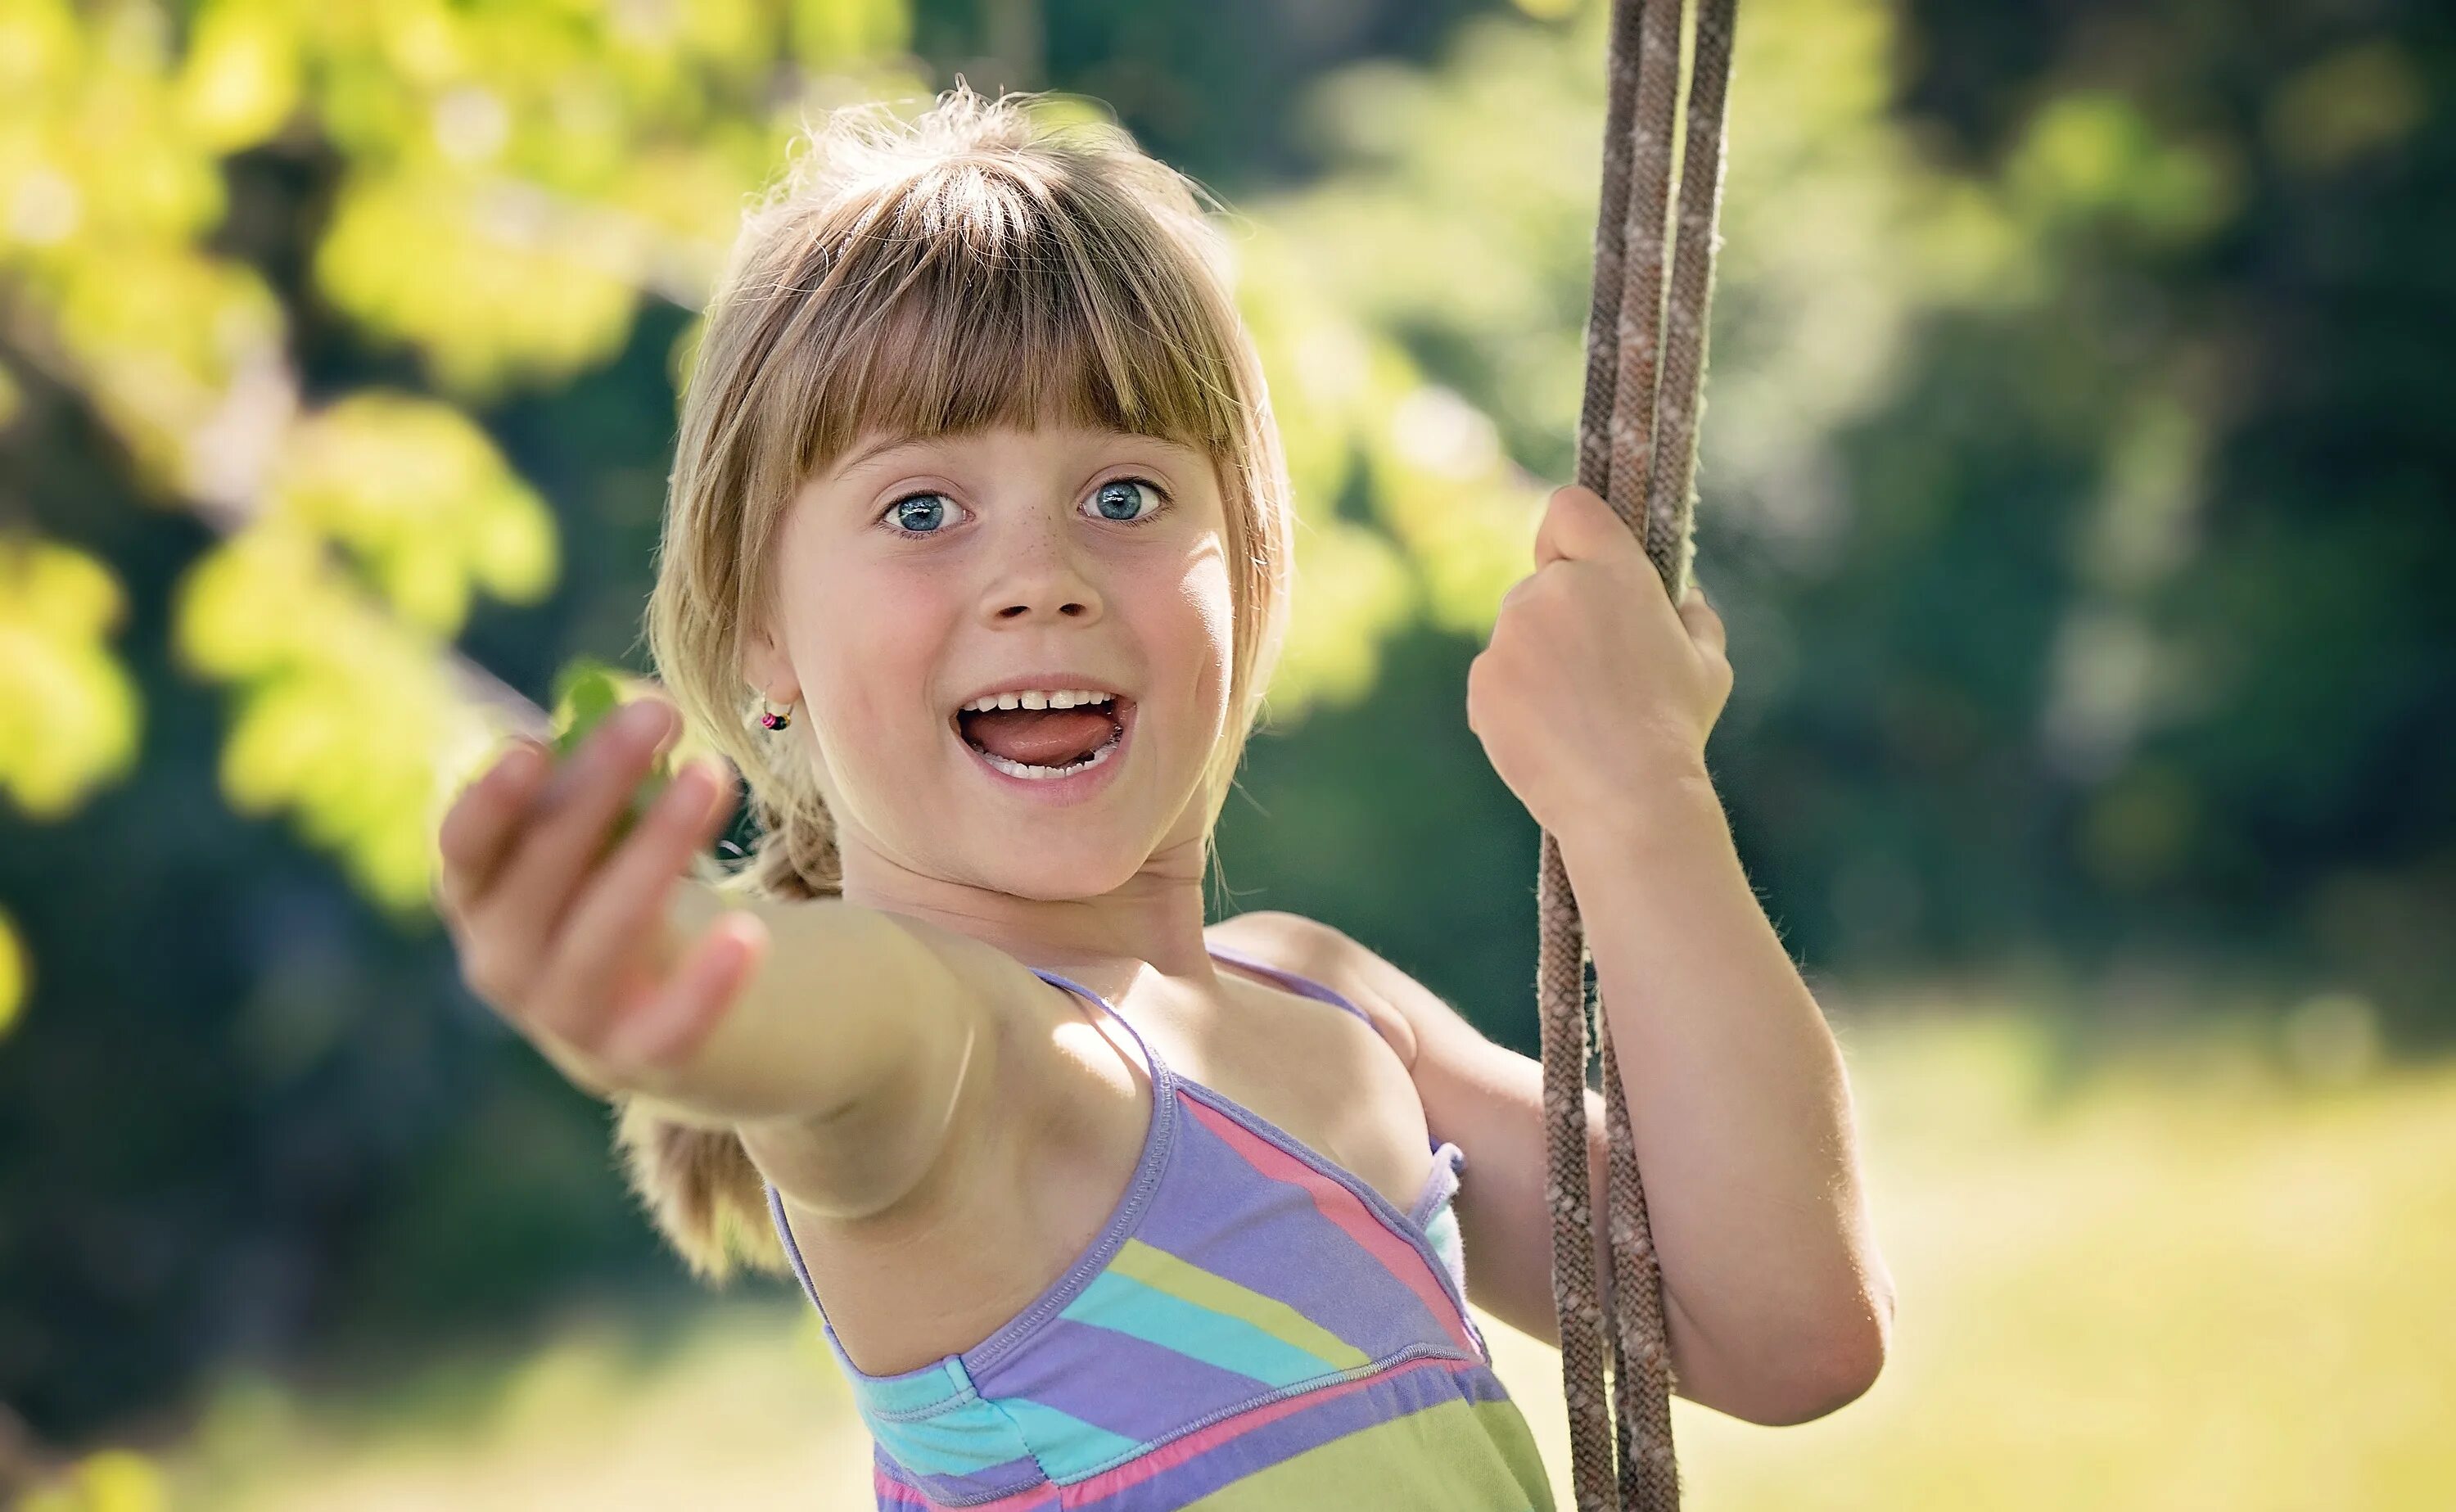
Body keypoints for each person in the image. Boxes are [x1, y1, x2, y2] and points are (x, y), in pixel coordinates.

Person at [432, 82, 1890, 1510]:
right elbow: (828, 1022)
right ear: (763, 632)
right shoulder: (971, 1069)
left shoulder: (1333, 1009)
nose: (1042, 579)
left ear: (1249, 571)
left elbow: (1786, 1330)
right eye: (920, 509)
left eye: (1124, 495)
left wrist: (1642, 800)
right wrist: (667, 981)